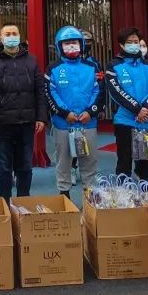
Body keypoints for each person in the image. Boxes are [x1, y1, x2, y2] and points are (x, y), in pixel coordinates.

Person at [0, 23, 47, 200]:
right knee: (4, 167)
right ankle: (4, 202)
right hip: (3, 124)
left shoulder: (31, 60)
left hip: (27, 122)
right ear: (1, 38)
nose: (11, 37)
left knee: (25, 166)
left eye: (14, 33)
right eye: (7, 34)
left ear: (20, 36)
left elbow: (40, 91)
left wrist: (41, 117)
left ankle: (24, 201)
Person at [46, 26, 103, 198]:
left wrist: (90, 112)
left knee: (89, 160)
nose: (71, 46)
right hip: (63, 123)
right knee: (63, 161)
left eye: (75, 42)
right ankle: (64, 194)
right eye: (67, 43)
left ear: (81, 44)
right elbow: (50, 93)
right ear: (59, 46)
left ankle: (90, 196)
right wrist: (65, 113)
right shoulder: (53, 68)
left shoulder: (92, 67)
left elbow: (99, 91)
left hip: (88, 122)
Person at [105, 27, 148, 183]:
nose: (133, 45)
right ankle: (124, 193)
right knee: (124, 161)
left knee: (147, 163)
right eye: (129, 42)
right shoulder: (113, 66)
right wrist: (137, 109)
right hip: (125, 120)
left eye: (136, 41)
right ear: (122, 45)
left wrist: (146, 108)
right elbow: (116, 91)